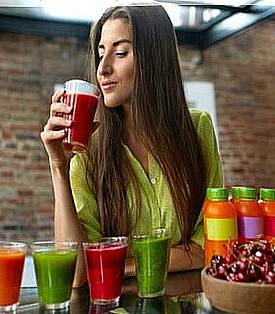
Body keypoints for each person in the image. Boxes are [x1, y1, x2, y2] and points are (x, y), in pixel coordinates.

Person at [41, 3, 223, 287]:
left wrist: (123, 265)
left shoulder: (197, 129)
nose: (103, 69)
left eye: (121, 52)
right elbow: (77, 273)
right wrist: (58, 167)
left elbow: (210, 245)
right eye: (101, 54)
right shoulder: (89, 150)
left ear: (154, 59)